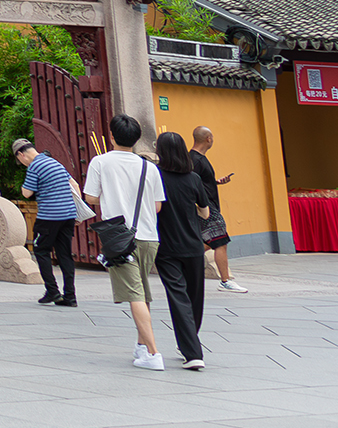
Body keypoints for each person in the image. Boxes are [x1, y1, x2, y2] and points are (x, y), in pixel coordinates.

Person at [85, 113, 167, 371]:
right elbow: (157, 207)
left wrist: (111, 196)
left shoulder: (100, 162)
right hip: (148, 236)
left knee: (134, 295)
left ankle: (154, 354)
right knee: (142, 294)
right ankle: (142, 346)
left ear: (111, 136)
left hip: (120, 237)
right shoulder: (149, 167)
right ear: (136, 138)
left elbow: (91, 198)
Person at [153, 131, 212, 370]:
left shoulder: (156, 176)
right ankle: (190, 342)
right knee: (195, 298)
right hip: (194, 246)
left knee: (178, 297)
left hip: (166, 247)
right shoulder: (193, 178)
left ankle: (192, 350)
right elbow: (205, 212)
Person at [14, 137, 83, 307]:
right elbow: (73, 183)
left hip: (49, 217)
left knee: (41, 250)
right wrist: (77, 210)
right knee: (64, 254)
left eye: (19, 160)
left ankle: (52, 291)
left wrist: (25, 185)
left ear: (21, 155)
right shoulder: (54, 162)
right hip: (67, 215)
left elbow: (27, 193)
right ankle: (70, 296)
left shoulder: (34, 167)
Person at [190, 126, 246, 293]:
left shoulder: (197, 158)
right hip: (207, 207)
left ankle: (181, 261)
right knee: (221, 241)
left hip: (207, 205)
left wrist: (216, 183)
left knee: (208, 242)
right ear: (208, 138)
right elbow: (191, 183)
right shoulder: (196, 160)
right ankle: (225, 281)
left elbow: (200, 182)